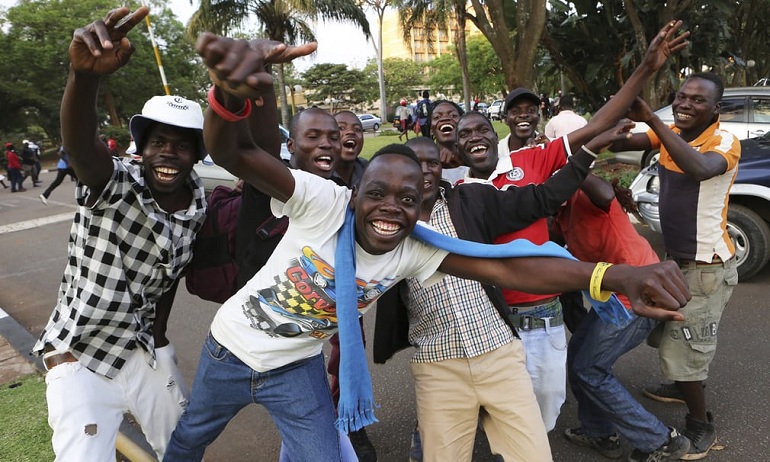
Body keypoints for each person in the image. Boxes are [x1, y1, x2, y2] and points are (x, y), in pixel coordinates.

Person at [164, 28, 691, 461]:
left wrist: (614, 276)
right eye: (377, 193)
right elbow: (232, 151)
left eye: (409, 197)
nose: (391, 206)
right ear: (356, 192)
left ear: (427, 201)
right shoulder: (321, 201)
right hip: (229, 349)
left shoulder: (419, 244)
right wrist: (229, 95)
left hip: (297, 366)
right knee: (190, 439)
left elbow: (509, 270)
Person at [459, 22, 689, 431]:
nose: (475, 137)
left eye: (481, 129)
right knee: (498, 412)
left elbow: (597, 124)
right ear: (456, 147)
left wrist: (646, 68)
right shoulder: (456, 191)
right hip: (490, 316)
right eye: (465, 134)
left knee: (544, 409)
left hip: (541, 313)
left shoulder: (534, 161)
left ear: (493, 135)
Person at [31, 7, 207, 460]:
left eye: (182, 144)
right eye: (158, 143)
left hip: (143, 350)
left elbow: (170, 275)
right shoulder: (114, 184)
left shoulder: (198, 203)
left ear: (195, 154)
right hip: (81, 353)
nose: (169, 154)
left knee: (183, 449)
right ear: (141, 149)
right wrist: (83, 77)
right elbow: (80, 145)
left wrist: (161, 339)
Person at [386, 129, 623, 462]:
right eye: (415, 163)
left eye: (432, 163)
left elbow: (543, 198)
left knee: (534, 456)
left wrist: (588, 151)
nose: (424, 171)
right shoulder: (387, 224)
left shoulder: (469, 200)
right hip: (437, 364)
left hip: (499, 353)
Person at [608, 71, 740, 461]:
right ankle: (681, 382)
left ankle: (701, 422)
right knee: (671, 333)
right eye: (681, 97)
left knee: (689, 342)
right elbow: (623, 141)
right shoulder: (671, 133)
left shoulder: (723, 141)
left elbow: (700, 168)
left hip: (706, 267)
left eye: (697, 100)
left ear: (716, 108)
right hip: (678, 261)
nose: (684, 104)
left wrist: (652, 120)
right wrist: (613, 124)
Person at [555, 176, 692, 461]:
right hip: (615, 297)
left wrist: (569, 164)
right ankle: (600, 432)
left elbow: (605, 194)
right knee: (579, 357)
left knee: (589, 368)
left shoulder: (586, 195)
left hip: (642, 295)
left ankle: (660, 440)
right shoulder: (560, 211)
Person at [428, 99, 467, 181]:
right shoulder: (424, 161)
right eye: (437, 117)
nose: (445, 119)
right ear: (431, 130)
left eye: (453, 115)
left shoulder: (475, 156)